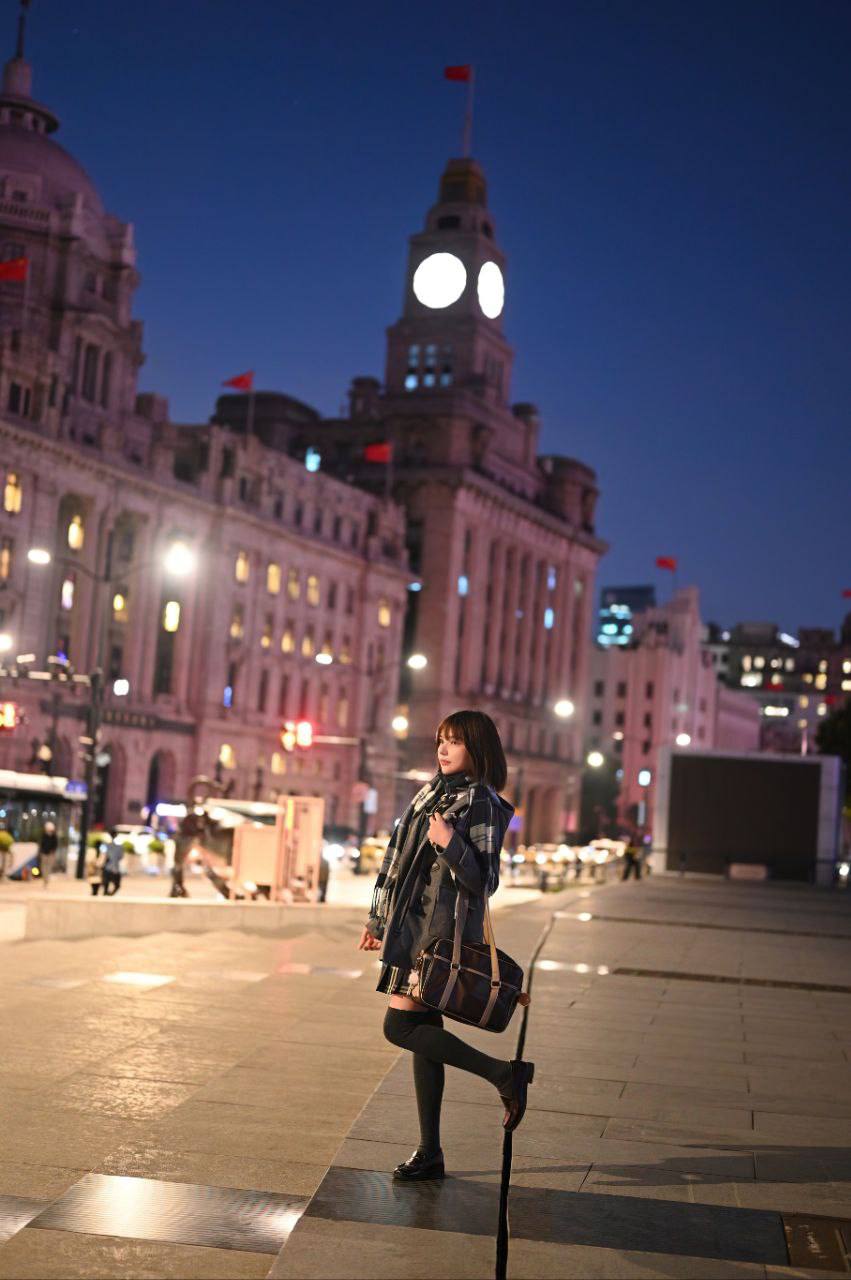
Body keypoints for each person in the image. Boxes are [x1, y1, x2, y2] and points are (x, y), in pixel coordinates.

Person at [357, 709, 535, 1182]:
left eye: (454, 741)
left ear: (476, 749)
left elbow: (486, 880)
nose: (442, 748)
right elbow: (399, 858)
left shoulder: (482, 803)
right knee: (422, 1039)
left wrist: (450, 842)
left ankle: (504, 1074)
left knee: (400, 1028)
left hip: (439, 934)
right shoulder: (430, 793)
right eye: (440, 739)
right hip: (410, 927)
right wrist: (379, 918)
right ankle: (430, 1153)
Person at [37, 821, 59, 886]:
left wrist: (53, 851)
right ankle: (45, 879)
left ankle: (46, 879)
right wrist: (41, 851)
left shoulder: (54, 836)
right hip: (44, 853)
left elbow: (55, 845)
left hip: (50, 854)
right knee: (43, 866)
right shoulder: (44, 835)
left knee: (48, 867)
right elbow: (41, 844)